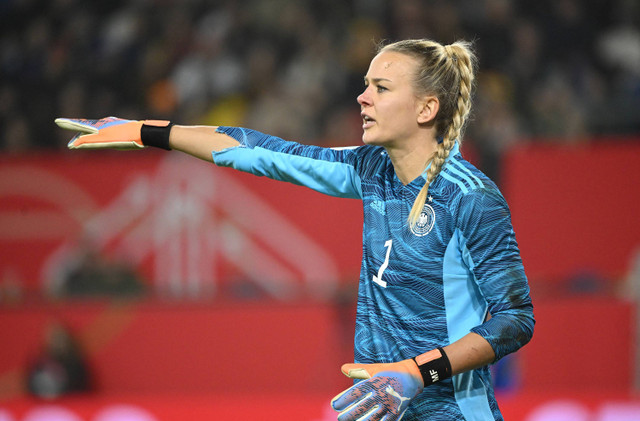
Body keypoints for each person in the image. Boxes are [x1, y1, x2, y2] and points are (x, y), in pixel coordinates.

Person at [56, 38, 535, 420]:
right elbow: (258, 150)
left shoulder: (471, 198)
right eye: (365, 84)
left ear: (426, 109)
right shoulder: (370, 169)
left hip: (452, 412)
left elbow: (515, 320)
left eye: (381, 88)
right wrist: (146, 131)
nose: (362, 97)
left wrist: (417, 372)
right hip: (379, 411)